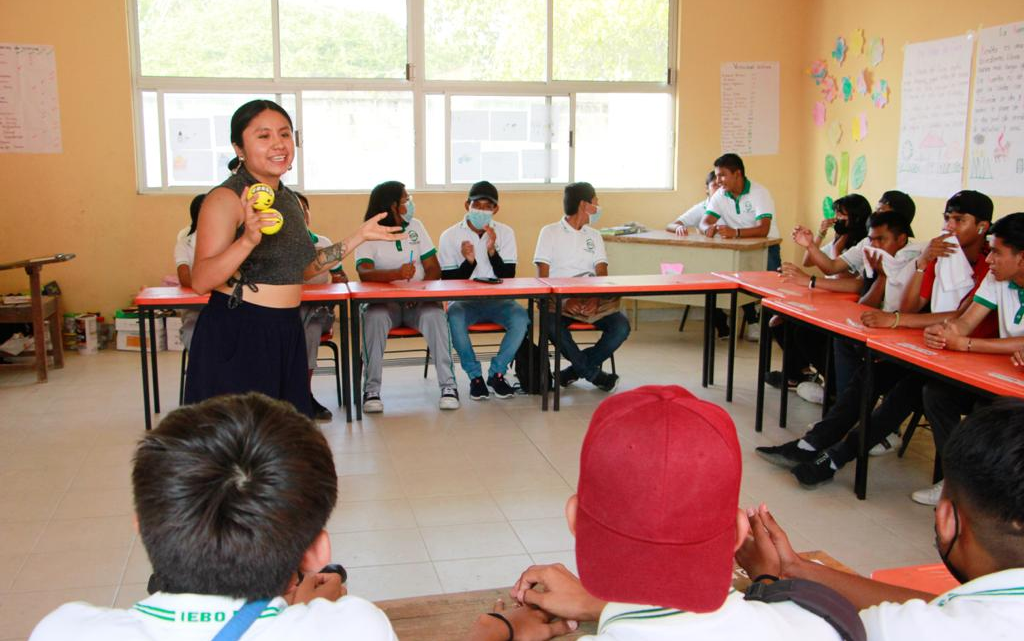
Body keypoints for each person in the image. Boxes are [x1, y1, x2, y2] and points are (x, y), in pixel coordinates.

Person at [471, 386, 844, 641]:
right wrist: (767, 580)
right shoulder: (826, 623)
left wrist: (494, 627)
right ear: (737, 532)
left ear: (574, 520)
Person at [29, 393, 398, 640]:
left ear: (141, 526)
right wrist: (309, 612)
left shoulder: (62, 631)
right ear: (317, 554)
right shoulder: (355, 628)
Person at [736, 399, 1024, 640]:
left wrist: (768, 581)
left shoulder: (902, 632)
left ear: (947, 517)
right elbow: (941, 608)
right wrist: (796, 567)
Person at [185, 99, 401, 417]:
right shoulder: (225, 198)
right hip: (239, 329)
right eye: (264, 136)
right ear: (238, 148)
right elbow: (201, 280)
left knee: (283, 444)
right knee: (235, 445)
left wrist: (358, 237)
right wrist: (247, 240)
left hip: (287, 328)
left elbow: (304, 268)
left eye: (285, 134)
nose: (279, 144)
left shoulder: (290, 200)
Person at [759, 210, 924, 485]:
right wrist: (882, 276)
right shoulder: (875, 253)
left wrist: (916, 272)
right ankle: (812, 444)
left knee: (909, 390)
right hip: (901, 338)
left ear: (903, 237)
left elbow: (923, 311)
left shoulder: (922, 258)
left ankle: (834, 456)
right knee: (864, 372)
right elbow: (864, 299)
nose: (874, 245)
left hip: (920, 346)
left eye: (881, 238)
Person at [914, 212, 1024, 505]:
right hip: (1004, 375)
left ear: (1022, 258)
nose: (989, 260)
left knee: (988, 410)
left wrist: (967, 344)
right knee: (937, 394)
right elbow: (966, 323)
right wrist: (944, 332)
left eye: (998, 253)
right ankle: (956, 482)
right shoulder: (997, 277)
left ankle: (993, 493)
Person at [355, 180, 459, 413]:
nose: (410, 203)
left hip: (418, 302)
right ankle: (371, 390)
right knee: (374, 317)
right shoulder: (370, 231)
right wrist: (396, 274)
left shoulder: (416, 226)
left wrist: (418, 291)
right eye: (406, 199)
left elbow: (433, 267)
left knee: (435, 315)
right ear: (393, 205)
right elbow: (364, 272)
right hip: (384, 304)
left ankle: (448, 387)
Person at [766, 193, 873, 393]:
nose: (837, 219)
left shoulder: (863, 243)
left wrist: (812, 274)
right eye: (836, 214)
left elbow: (833, 270)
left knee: (803, 332)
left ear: (856, 217)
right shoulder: (840, 238)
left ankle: (828, 385)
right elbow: (809, 260)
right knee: (777, 321)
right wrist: (821, 234)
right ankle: (799, 374)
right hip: (827, 294)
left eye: (842, 215)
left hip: (842, 301)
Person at [534, 182, 629, 392]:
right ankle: (593, 374)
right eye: (596, 202)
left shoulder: (593, 235)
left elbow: (601, 271)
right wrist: (566, 300)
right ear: (584, 205)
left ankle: (572, 372)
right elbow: (543, 275)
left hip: (592, 297)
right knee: (550, 325)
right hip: (559, 299)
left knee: (621, 326)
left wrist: (596, 298)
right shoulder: (549, 232)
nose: (598, 207)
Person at [439, 181, 528, 400]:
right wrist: (468, 263)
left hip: (498, 299)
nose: (481, 210)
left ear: (495, 209)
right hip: (464, 301)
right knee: (455, 317)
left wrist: (492, 252)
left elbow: (508, 276)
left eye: (487, 206)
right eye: (476, 205)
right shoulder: (449, 236)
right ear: (466, 205)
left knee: (521, 318)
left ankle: (497, 373)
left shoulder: (505, 233)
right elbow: (448, 281)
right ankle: (475, 377)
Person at [702, 153, 781, 340]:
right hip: (737, 251)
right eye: (717, 175)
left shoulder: (759, 193)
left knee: (771, 291)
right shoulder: (721, 195)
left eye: (722, 175)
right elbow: (705, 221)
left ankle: (773, 330)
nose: (718, 180)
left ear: (737, 174)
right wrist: (708, 229)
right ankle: (752, 323)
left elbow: (763, 229)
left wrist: (735, 232)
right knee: (731, 285)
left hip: (765, 248)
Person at [296, 192, 345, 422]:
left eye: (305, 208)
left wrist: (339, 280)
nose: (302, 214)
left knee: (312, 328)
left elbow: (340, 276)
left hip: (319, 311)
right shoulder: (280, 247)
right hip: (289, 310)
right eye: (296, 209)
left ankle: (303, 394)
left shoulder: (323, 243)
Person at [173, 193, 204, 350]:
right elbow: (184, 277)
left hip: (225, 307)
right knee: (195, 333)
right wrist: (211, 283)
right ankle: (202, 373)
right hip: (196, 310)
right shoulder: (184, 244)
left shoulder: (229, 241)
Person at [666, 170, 717, 235]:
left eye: (721, 185)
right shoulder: (701, 208)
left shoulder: (731, 205)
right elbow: (670, 226)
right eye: (715, 185)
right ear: (707, 189)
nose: (719, 189)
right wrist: (678, 227)